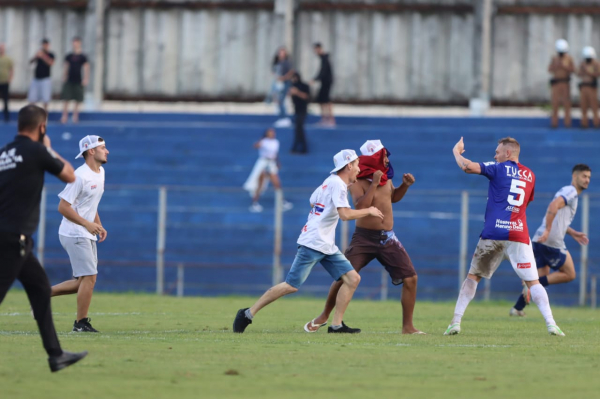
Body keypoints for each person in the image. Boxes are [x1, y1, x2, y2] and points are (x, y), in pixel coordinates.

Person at [233, 149, 384, 333]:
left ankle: (336, 325)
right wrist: (369, 211)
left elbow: (313, 202)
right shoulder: (337, 184)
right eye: (357, 165)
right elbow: (344, 215)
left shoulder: (330, 182)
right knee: (290, 285)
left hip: (326, 244)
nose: (359, 169)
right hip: (313, 242)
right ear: (349, 165)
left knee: (353, 278)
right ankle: (247, 314)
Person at [445, 137, 565, 336]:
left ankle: (455, 322)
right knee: (533, 282)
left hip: (493, 233)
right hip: (518, 234)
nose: (494, 155)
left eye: (497, 152)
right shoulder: (530, 175)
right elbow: (525, 203)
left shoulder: (498, 167)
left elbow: (467, 167)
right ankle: (551, 324)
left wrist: (456, 152)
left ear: (508, 154)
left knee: (473, 277)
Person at [0, 104, 87, 372]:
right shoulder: (37, 150)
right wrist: (48, 146)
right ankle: (56, 354)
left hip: (13, 238)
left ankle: (56, 354)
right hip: (13, 237)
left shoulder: (5, 153)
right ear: (42, 127)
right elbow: (70, 175)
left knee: (40, 289)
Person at [304, 140, 424, 334]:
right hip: (363, 239)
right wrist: (374, 183)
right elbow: (360, 206)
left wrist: (405, 186)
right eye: (383, 155)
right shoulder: (356, 180)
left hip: (388, 238)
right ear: (374, 157)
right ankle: (325, 315)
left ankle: (408, 327)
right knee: (343, 277)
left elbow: (392, 198)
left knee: (411, 278)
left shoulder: (386, 176)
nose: (387, 159)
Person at [510, 164, 591, 317]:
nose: (587, 180)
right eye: (584, 176)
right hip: (551, 242)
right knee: (570, 274)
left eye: (588, 177)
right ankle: (529, 285)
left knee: (538, 280)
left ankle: (517, 309)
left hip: (539, 239)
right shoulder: (571, 191)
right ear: (574, 176)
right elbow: (553, 206)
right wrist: (548, 230)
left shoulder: (568, 191)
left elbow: (558, 217)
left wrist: (572, 232)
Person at [50, 135, 109, 333]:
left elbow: (90, 204)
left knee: (81, 283)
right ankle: (80, 323)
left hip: (85, 231)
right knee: (90, 277)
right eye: (103, 147)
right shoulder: (80, 176)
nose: (107, 151)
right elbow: (63, 207)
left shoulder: (100, 172)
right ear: (91, 151)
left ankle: (42, 294)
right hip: (74, 232)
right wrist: (86, 224)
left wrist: (98, 225)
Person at [243, 128, 293, 213]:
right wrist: (260, 142)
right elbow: (256, 146)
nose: (272, 133)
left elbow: (275, 153)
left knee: (277, 183)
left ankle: (282, 201)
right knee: (260, 184)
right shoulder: (264, 141)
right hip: (263, 162)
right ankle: (254, 202)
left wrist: (278, 162)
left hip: (271, 163)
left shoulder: (276, 142)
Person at [61, 37, 89, 124]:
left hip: (78, 79)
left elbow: (86, 68)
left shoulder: (82, 56)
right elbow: (66, 66)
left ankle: (75, 116)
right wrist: (64, 76)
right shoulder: (69, 56)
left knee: (77, 99)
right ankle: (64, 116)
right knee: (66, 98)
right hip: (69, 79)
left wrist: (85, 78)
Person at [548, 39, 575, 128]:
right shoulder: (554, 58)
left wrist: (564, 66)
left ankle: (567, 123)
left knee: (566, 103)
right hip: (556, 83)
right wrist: (557, 65)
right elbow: (549, 69)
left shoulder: (569, 58)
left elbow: (573, 70)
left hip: (565, 83)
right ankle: (554, 123)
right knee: (555, 103)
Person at [28, 38, 55, 111]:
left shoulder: (50, 54)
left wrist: (43, 56)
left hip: (45, 79)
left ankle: (45, 116)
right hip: (36, 78)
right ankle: (32, 115)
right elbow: (31, 62)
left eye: (46, 44)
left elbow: (51, 63)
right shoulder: (38, 54)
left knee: (46, 100)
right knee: (32, 99)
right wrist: (36, 56)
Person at [312, 43, 335, 127]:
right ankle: (325, 119)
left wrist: (315, 79)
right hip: (325, 82)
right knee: (322, 100)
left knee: (326, 100)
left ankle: (330, 120)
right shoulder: (323, 58)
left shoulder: (324, 58)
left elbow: (323, 71)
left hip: (326, 82)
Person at [577, 46, 600, 129]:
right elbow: (578, 73)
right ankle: (584, 123)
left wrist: (589, 72)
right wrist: (583, 71)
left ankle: (596, 123)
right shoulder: (583, 64)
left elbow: (597, 73)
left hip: (592, 87)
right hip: (584, 87)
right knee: (583, 106)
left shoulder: (596, 63)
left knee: (594, 106)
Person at [272, 47, 295, 128]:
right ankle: (281, 117)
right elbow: (274, 71)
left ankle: (284, 118)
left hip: (285, 83)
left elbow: (291, 72)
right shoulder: (277, 62)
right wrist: (277, 77)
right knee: (278, 100)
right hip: (278, 83)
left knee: (282, 100)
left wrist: (284, 78)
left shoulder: (287, 62)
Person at [289, 72, 310, 154]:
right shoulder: (292, 86)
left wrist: (297, 92)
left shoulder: (304, 86)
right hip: (296, 110)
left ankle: (303, 148)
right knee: (297, 130)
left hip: (302, 110)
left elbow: (306, 97)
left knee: (300, 129)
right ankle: (297, 147)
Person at [0, 43, 14, 123]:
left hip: (5, 82)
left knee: (5, 99)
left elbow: (11, 69)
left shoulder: (8, 59)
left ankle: (6, 117)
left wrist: (10, 78)